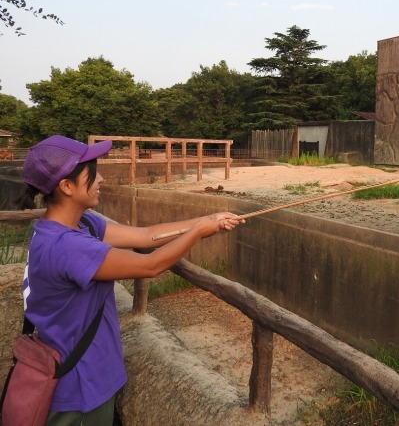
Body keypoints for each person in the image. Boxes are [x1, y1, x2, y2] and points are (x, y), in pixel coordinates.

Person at [18, 135, 244, 425]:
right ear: (67, 186)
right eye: (92, 172)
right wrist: (199, 231)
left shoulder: (78, 224)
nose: (101, 178)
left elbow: (146, 235)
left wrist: (208, 219)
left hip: (80, 374)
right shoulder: (68, 246)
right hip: (80, 388)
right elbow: (149, 265)